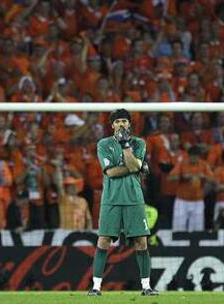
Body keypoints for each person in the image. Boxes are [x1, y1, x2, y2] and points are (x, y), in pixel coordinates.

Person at [88, 109, 157, 296]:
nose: (120, 124)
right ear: (112, 125)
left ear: (129, 124)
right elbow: (110, 172)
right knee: (103, 242)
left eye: (124, 121)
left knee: (141, 242)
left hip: (134, 199)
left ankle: (146, 287)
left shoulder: (138, 143)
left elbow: (133, 167)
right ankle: (96, 287)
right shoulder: (103, 144)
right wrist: (137, 167)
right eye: (117, 121)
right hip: (111, 200)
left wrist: (126, 146)